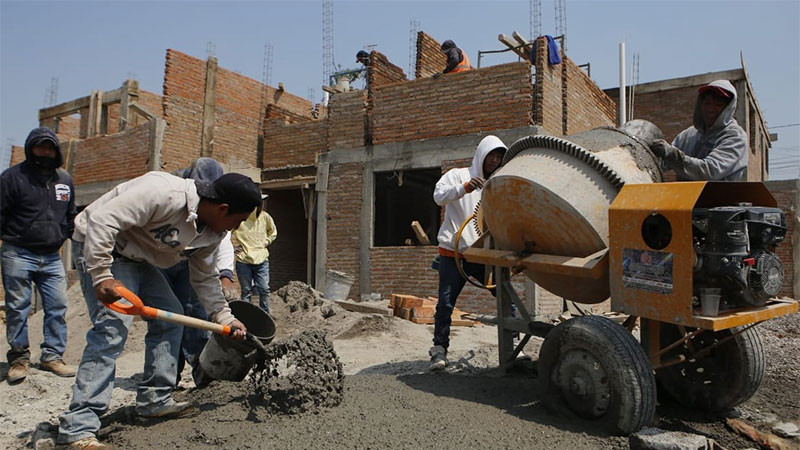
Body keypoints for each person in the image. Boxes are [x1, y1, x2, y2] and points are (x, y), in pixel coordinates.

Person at [57, 171, 261, 449]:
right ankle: (78, 426)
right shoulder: (163, 192)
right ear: (222, 208)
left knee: (171, 318)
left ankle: (154, 399)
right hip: (103, 246)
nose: (235, 229)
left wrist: (226, 317)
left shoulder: (212, 232)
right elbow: (103, 220)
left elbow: (204, 277)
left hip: (139, 257)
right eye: (237, 221)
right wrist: (101, 273)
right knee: (112, 329)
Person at [1, 127, 77, 383]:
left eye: (49, 148)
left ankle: (52, 356)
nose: (45, 152)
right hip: (18, 254)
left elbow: (71, 216)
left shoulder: (64, 180)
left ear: (56, 151)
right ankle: (19, 359)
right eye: (40, 147)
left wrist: (64, 233)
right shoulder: (12, 177)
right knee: (17, 308)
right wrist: (13, 237)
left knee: (57, 306)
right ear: (30, 148)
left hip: (52, 256)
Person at [429, 135, 506, 371]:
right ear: (482, 154)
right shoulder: (458, 175)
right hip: (453, 253)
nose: (494, 161)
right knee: (445, 303)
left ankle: (513, 348)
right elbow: (438, 197)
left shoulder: (498, 183)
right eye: (491, 155)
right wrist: (465, 188)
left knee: (505, 298)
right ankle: (439, 350)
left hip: (483, 255)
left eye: (498, 157)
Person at [162, 157, 238, 389]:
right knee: (166, 318)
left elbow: (220, 241)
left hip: (190, 263)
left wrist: (225, 275)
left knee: (197, 316)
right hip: (159, 261)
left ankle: (204, 373)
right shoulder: (172, 196)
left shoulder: (216, 209)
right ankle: (166, 378)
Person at [650, 80, 748, 181]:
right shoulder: (687, 136)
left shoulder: (735, 137)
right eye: (707, 103)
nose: (710, 109)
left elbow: (709, 171)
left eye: (718, 104)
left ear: (728, 108)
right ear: (700, 104)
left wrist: (672, 155)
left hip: (718, 196)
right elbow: (661, 163)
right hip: (685, 196)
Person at [232, 194, 277, 315]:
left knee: (264, 289)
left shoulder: (265, 217)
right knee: (246, 291)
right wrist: (233, 247)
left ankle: (265, 316)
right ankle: (247, 317)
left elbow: (273, 232)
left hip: (261, 259)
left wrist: (266, 242)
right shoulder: (241, 217)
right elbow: (225, 232)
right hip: (244, 260)